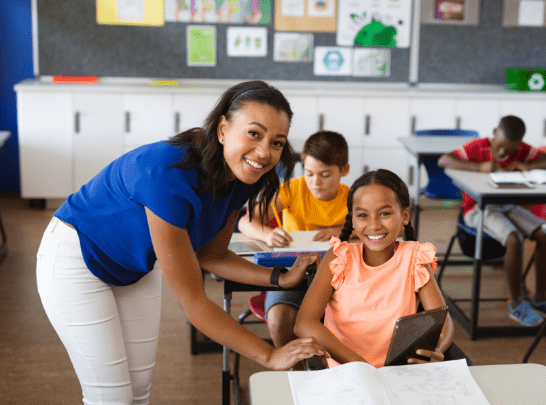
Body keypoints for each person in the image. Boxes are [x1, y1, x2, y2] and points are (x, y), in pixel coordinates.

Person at [36, 80, 329, 405]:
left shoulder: (241, 178)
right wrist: (269, 355)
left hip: (134, 267)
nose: (264, 153)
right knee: (112, 397)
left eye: (277, 142)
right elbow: (193, 302)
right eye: (254, 134)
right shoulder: (167, 174)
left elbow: (212, 255)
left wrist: (279, 279)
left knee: (138, 389)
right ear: (222, 128)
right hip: (76, 259)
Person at [294, 169, 454, 368]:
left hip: (399, 373)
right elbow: (304, 323)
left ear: (405, 216)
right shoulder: (338, 257)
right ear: (352, 219)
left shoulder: (415, 258)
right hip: (347, 372)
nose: (374, 225)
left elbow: (442, 321)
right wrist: (361, 367)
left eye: (384, 213)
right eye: (362, 215)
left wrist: (437, 348)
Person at [437, 115, 546, 327]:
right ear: (494, 132)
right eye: (500, 146)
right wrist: (478, 168)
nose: (503, 153)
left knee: (545, 234)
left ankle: (541, 298)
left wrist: (527, 166)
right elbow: (444, 159)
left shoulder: (522, 151)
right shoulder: (479, 148)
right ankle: (516, 304)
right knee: (513, 239)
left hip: (507, 206)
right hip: (478, 209)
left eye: (510, 149)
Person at [237, 130, 351, 354]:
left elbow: (375, 229)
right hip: (292, 275)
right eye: (309, 173)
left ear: (344, 170)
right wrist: (267, 234)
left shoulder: (354, 197)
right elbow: (245, 222)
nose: (315, 182)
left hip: (339, 280)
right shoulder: (293, 189)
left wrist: (342, 230)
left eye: (325, 175)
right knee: (280, 318)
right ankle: (294, 369)